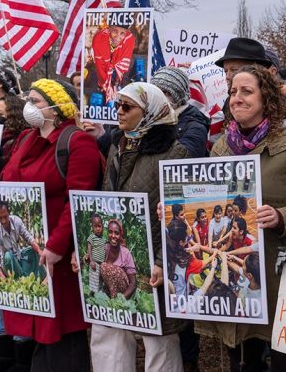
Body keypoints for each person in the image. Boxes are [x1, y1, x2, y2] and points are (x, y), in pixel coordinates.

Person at [198, 64, 286, 372]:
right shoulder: (222, 147)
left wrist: (281, 216)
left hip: (280, 272)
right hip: (238, 275)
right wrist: (174, 208)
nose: (236, 98)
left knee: (283, 359)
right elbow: (208, 203)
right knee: (242, 357)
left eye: (246, 91)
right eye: (232, 92)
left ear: (266, 98)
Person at [0, 78, 101, 371]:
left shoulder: (77, 141)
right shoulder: (25, 139)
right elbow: (4, 191)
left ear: (56, 108)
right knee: (40, 332)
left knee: (63, 331)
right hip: (32, 250)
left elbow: (77, 200)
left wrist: (56, 246)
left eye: (36, 101)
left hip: (57, 254)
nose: (28, 106)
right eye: (27, 100)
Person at [96, 81, 188, 371]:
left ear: (149, 112)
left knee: (157, 336)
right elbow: (103, 201)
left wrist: (162, 261)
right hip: (117, 250)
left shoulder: (175, 153)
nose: (119, 112)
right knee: (111, 327)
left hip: (154, 257)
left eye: (127, 106)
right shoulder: (117, 146)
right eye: (117, 105)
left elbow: (177, 217)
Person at [214, 38, 286, 128]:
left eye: (234, 70)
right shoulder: (230, 104)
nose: (228, 76)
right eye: (226, 71)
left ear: (257, 70)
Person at [151, 66, 210, 158]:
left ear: (178, 98)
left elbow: (181, 161)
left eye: (166, 93)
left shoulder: (195, 128)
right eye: (155, 91)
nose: (159, 97)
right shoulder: (146, 120)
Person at [0, 200, 44, 280]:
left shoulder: (16, 221)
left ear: (9, 213)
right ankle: (17, 279)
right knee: (8, 255)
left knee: (33, 250)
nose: (3, 220)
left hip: (19, 257)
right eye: (0, 217)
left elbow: (29, 238)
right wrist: (3, 278)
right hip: (7, 264)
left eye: (5, 216)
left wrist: (40, 252)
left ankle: (36, 278)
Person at [100, 219, 137, 300]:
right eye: (110, 232)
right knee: (101, 266)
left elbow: (133, 283)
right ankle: (106, 294)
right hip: (108, 288)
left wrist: (120, 300)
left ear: (120, 235)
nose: (113, 236)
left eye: (116, 233)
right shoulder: (105, 248)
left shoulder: (126, 253)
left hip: (122, 292)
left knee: (106, 267)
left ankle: (114, 299)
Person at [85, 215, 106, 294]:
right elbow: (89, 249)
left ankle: (99, 296)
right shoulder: (92, 237)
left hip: (102, 264)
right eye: (95, 226)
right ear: (92, 227)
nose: (97, 228)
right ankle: (92, 296)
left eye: (99, 226)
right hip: (95, 263)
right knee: (94, 281)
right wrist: (92, 261)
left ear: (102, 227)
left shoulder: (104, 239)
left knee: (100, 281)